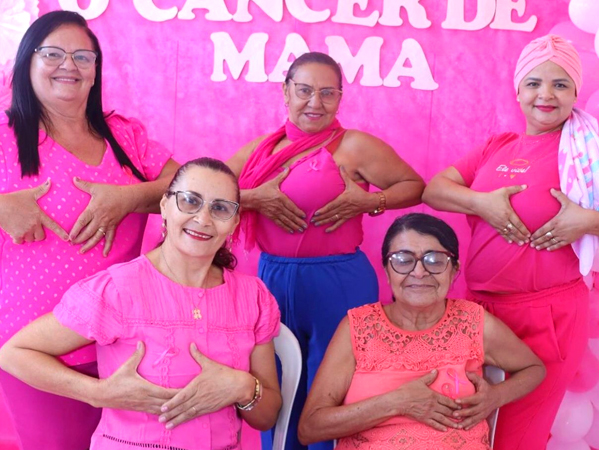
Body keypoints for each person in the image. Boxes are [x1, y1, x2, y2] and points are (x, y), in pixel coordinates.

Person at [0, 157, 282, 450]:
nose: (203, 219)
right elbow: (14, 353)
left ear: (234, 221)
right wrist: (99, 393)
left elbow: (267, 416)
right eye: (189, 201)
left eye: (220, 208)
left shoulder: (253, 296)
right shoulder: (118, 289)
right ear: (164, 206)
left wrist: (244, 387)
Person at [227, 51, 425, 450]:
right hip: (273, 279)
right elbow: (207, 193)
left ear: (340, 98)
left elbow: (414, 185)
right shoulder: (260, 151)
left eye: (327, 93)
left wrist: (369, 202)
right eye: (304, 91)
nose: (315, 103)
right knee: (276, 382)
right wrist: (253, 199)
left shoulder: (353, 146)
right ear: (285, 92)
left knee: (331, 387)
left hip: (338, 281)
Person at [0, 10, 178, 450]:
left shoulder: (124, 135)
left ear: (96, 70)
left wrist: (130, 198)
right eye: (54, 53)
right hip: (37, 350)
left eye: (83, 56)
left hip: (126, 342)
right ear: (27, 62)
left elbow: (189, 188)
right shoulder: (5, 137)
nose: (70, 65)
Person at [422, 35, 596, 449]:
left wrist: (587, 220)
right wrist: (483, 204)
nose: (546, 94)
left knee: (517, 438)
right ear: (518, 90)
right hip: (475, 314)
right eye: (534, 83)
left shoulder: (590, 153)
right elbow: (434, 190)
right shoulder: (496, 147)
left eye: (560, 84)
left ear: (576, 92)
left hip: (547, 319)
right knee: (462, 431)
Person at [298, 213, 545, 449]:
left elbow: (534, 368)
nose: (419, 272)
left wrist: (495, 397)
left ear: (454, 270)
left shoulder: (473, 321)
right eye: (403, 260)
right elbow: (311, 427)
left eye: (435, 260)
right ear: (386, 271)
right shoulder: (358, 327)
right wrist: (397, 402)